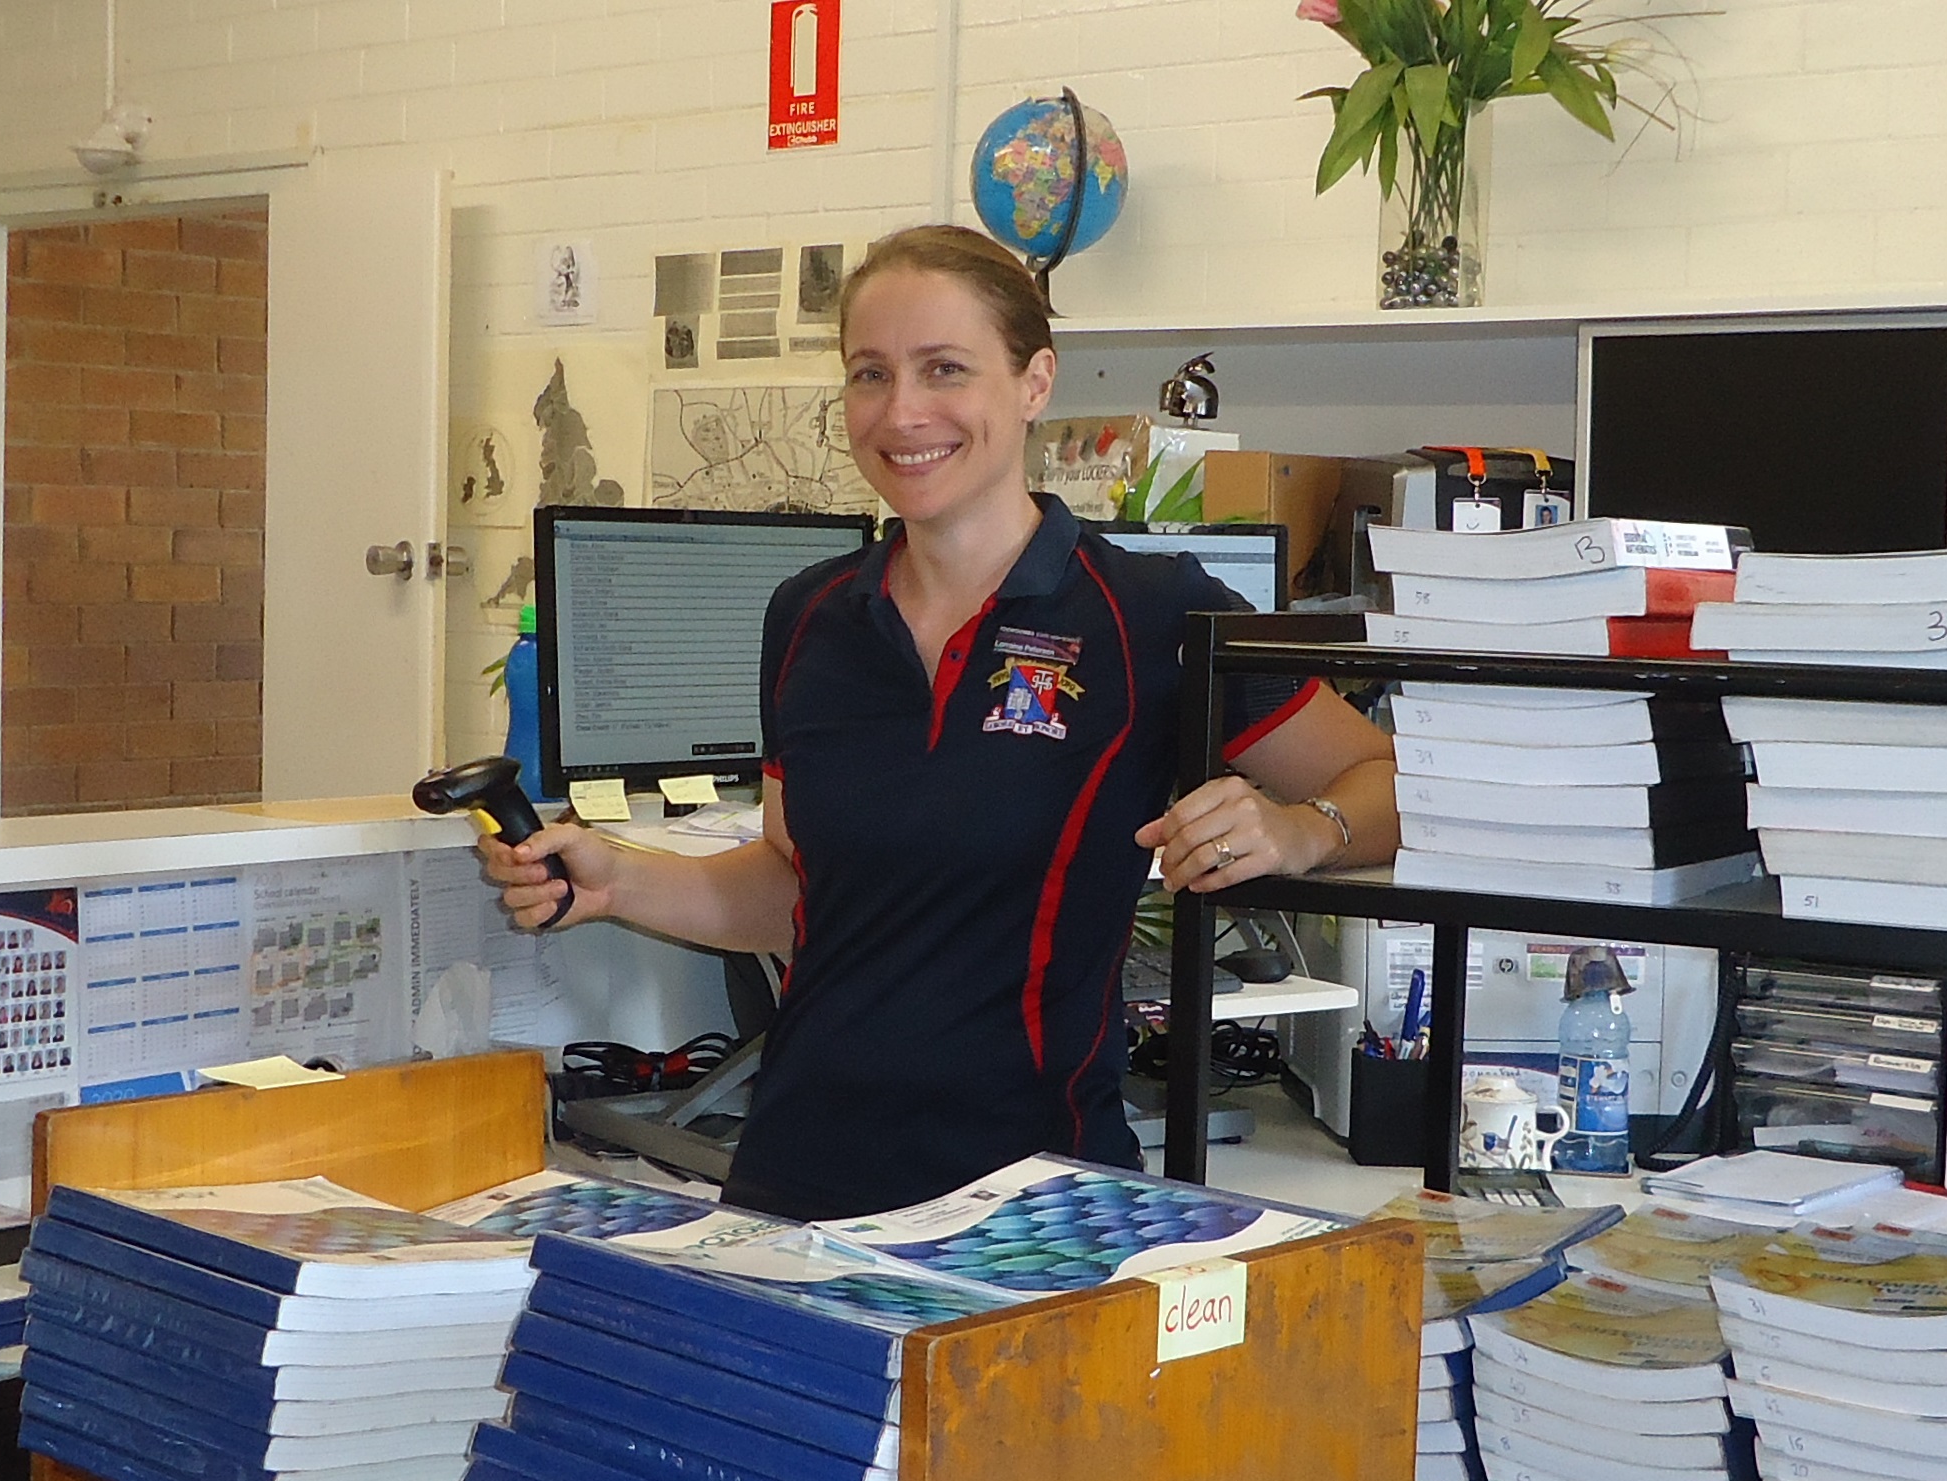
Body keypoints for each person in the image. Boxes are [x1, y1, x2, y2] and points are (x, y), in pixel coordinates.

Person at [478, 224, 1396, 1221]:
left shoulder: (1146, 612)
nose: (901, 412)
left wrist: (1301, 833)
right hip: (797, 1176)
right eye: (869, 374)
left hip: (1031, 1197)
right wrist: (619, 880)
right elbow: (798, 889)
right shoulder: (808, 617)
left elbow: (1390, 784)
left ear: (1032, 382)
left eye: (943, 369)